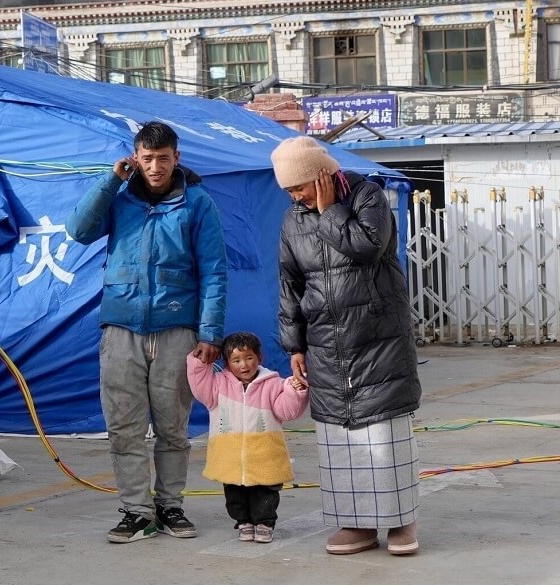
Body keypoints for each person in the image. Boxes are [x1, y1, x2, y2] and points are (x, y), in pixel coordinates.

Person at [65, 121, 228, 544]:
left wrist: (209, 333)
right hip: (121, 329)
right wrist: (109, 180)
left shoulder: (197, 204)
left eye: (164, 158)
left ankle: (170, 506)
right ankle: (137, 512)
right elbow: (78, 230)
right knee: (125, 426)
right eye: (148, 158)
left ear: (177, 158)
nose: (155, 167)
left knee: (173, 426)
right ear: (136, 158)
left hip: (177, 330)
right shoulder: (119, 201)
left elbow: (214, 270)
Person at [271, 136, 423, 556]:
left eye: (299, 186)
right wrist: (294, 344)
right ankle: (355, 524)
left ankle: (400, 521)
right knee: (342, 441)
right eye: (288, 190)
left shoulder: (367, 196)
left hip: (377, 338)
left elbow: (368, 246)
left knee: (384, 434)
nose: (295, 196)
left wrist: (328, 212)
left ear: (321, 175)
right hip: (325, 342)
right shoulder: (291, 221)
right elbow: (289, 283)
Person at [186, 332, 309, 544]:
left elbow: (287, 412)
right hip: (229, 456)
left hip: (265, 455)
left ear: (259, 358)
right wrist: (199, 361)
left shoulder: (273, 384)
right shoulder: (216, 386)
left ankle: (265, 523)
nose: (244, 365)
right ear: (227, 363)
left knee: (266, 493)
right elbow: (198, 383)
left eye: (249, 358)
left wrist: (294, 391)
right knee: (234, 495)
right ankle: (243, 522)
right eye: (236, 360)